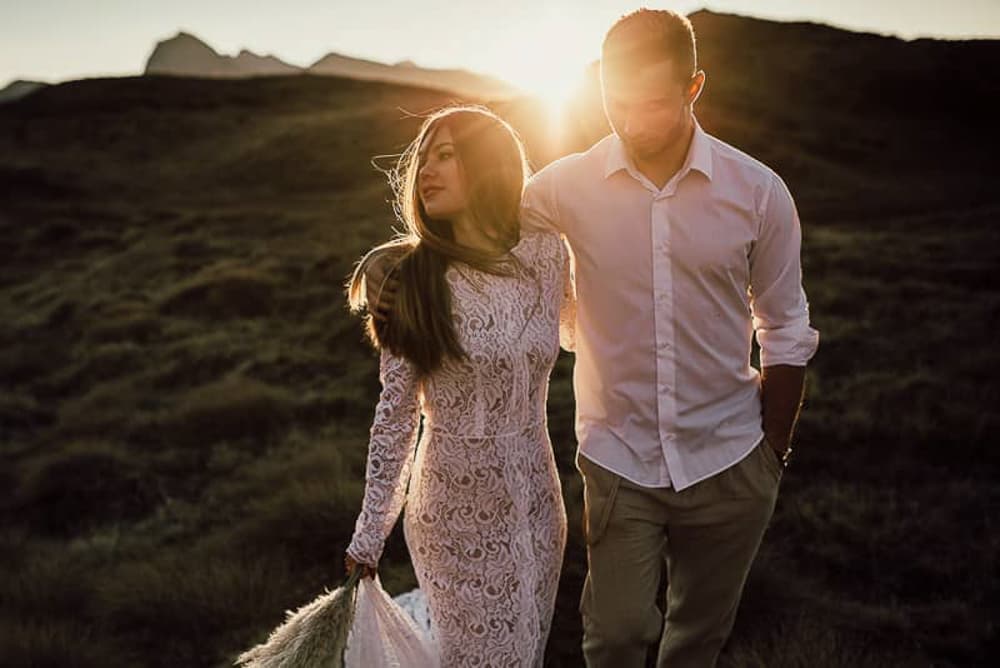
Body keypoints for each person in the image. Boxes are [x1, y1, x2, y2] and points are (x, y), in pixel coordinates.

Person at [371, 8, 819, 667]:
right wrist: (394, 263)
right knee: (615, 636)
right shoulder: (564, 188)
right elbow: (475, 222)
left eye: (654, 104)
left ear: (694, 87)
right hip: (619, 460)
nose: (634, 122)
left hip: (731, 457)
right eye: (616, 102)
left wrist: (770, 457)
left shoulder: (757, 194)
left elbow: (785, 329)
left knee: (698, 640)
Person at [343, 105, 574, 667]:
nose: (426, 170)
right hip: (453, 516)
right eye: (423, 159)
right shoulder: (414, 282)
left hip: (539, 506)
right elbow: (396, 417)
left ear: (488, 163)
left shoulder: (545, 252)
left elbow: (583, 332)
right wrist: (370, 535)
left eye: (445, 155)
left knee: (526, 651)